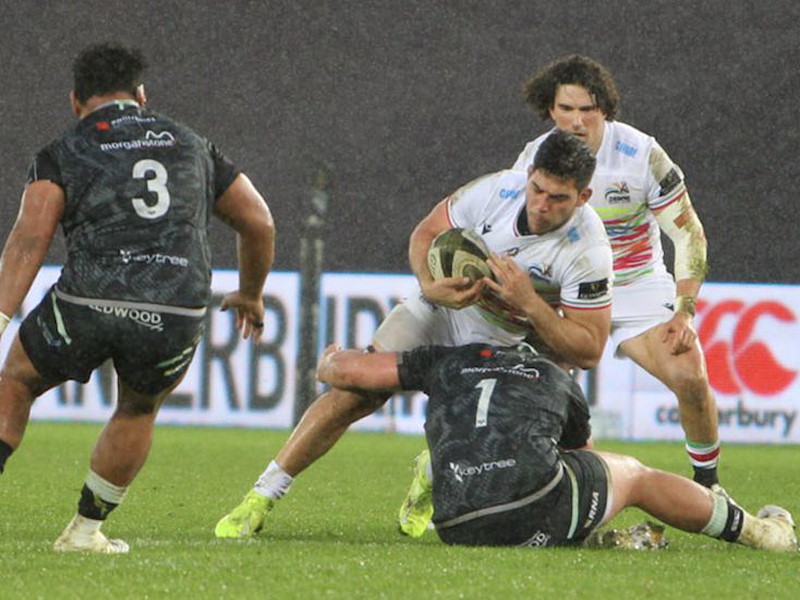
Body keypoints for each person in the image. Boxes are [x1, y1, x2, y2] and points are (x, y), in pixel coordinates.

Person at [214, 131, 613, 538]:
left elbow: (589, 349)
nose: (542, 205)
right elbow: (426, 232)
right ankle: (261, 496)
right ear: (528, 175)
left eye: (558, 198)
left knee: (543, 436)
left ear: (583, 197)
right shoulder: (498, 190)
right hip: (440, 309)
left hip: (508, 342)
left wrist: (529, 302)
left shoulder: (588, 251)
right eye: (537, 189)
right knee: (353, 396)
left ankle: (438, 475)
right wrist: (428, 282)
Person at [0, 43, 275, 554]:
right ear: (142, 95)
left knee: (16, 380)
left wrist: (0, 313)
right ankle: (84, 532)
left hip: (89, 300)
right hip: (174, 309)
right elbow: (258, 221)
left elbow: (29, 238)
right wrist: (251, 293)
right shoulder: (194, 145)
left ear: (76, 102)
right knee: (137, 408)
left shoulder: (65, 149)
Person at [315, 341, 797, 552]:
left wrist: (332, 358)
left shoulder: (445, 360)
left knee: (535, 474)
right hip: (526, 508)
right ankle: (759, 533)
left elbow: (347, 373)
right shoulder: (553, 375)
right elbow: (586, 460)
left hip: (455, 523)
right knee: (632, 475)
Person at [511, 55, 723, 490]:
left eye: (587, 109)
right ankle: (462, 472)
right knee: (519, 389)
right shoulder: (535, 158)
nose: (575, 121)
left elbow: (689, 235)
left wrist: (684, 311)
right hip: (565, 290)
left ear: (604, 108)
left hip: (634, 284)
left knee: (690, 375)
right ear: (549, 110)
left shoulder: (641, 153)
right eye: (565, 109)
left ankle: (709, 487)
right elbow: (513, 235)